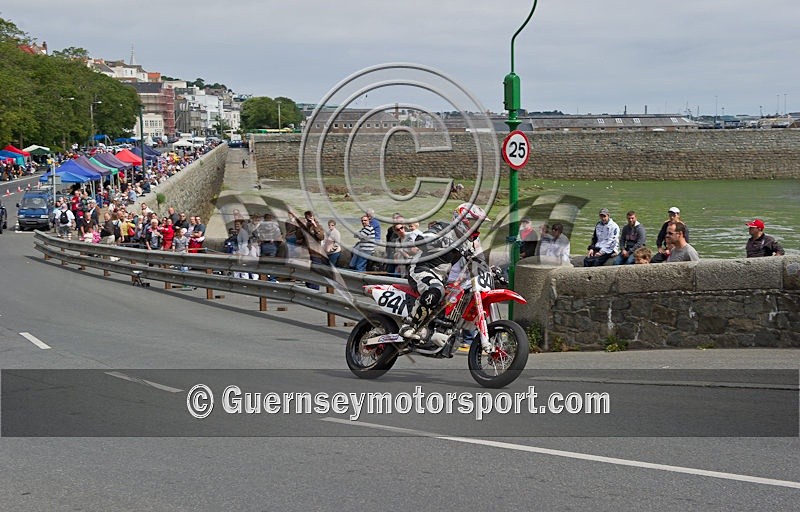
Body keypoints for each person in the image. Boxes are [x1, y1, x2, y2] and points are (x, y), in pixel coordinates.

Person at [399, 202, 487, 344]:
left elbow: (479, 260)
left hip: (441, 277)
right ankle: (409, 325)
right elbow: (421, 240)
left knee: (456, 298)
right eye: (473, 222)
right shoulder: (444, 227)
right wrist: (441, 241)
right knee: (436, 290)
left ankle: (436, 331)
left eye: (478, 223)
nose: (476, 226)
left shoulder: (470, 242)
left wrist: (490, 270)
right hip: (421, 269)